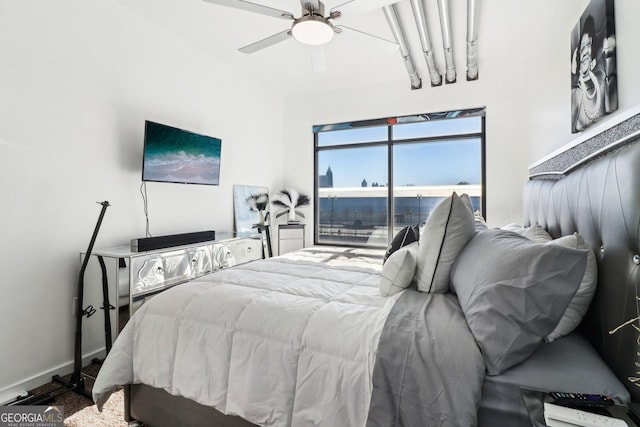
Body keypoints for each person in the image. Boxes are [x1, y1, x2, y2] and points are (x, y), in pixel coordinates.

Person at [571, 15, 607, 133]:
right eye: (582, 47)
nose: (585, 51)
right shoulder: (575, 93)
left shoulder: (601, 81)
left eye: (588, 44)